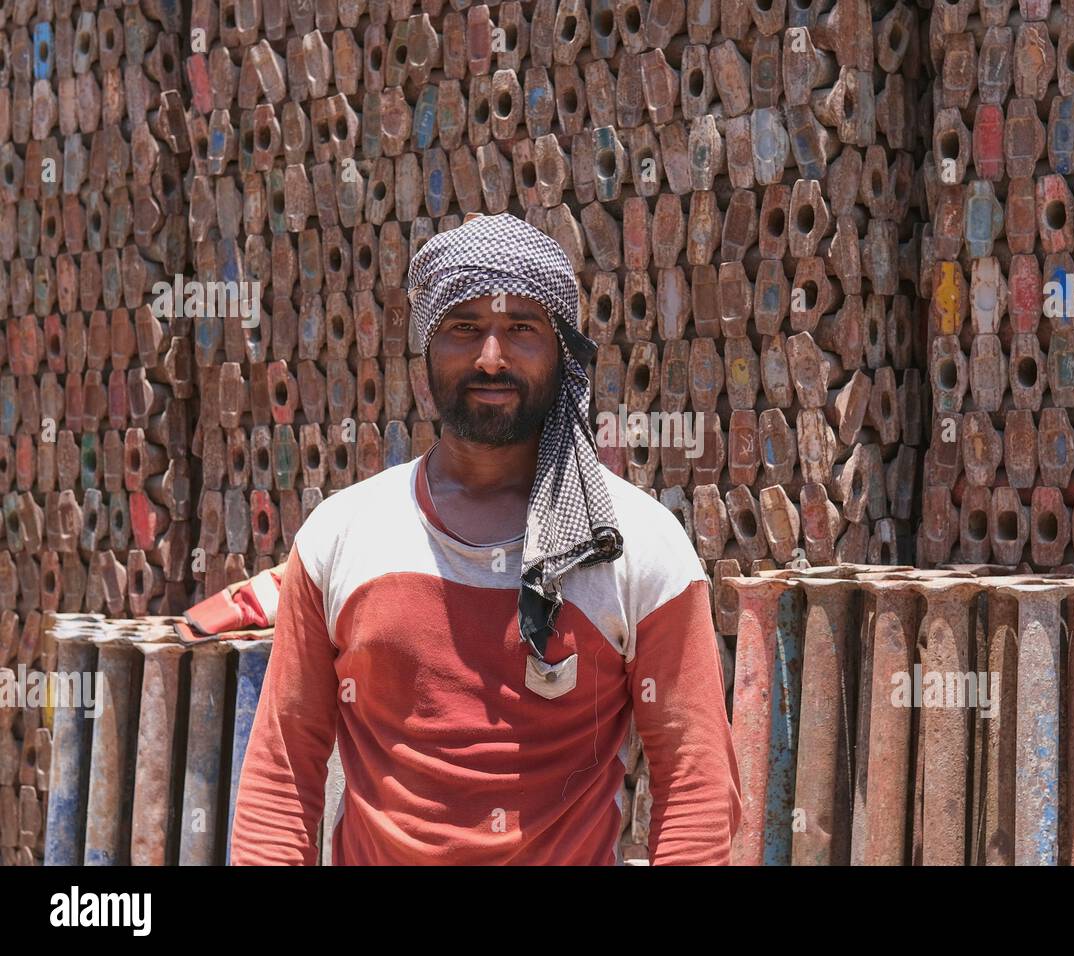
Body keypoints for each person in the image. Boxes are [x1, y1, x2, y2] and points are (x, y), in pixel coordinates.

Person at [230, 213, 742, 865]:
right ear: (426, 352)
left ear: (561, 351)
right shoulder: (342, 536)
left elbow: (695, 791)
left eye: (521, 330)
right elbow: (282, 774)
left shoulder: (636, 544)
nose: (491, 358)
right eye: (463, 329)